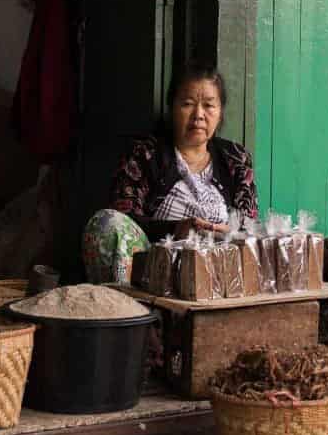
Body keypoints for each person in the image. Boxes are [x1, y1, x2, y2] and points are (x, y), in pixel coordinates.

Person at [82, 62, 259, 283]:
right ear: (172, 108)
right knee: (106, 223)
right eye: (188, 104)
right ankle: (130, 312)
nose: (199, 115)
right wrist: (175, 230)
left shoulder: (235, 158)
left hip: (218, 272)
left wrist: (223, 232)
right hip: (155, 271)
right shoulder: (145, 154)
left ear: (220, 112)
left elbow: (249, 224)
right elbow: (125, 217)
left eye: (209, 105)